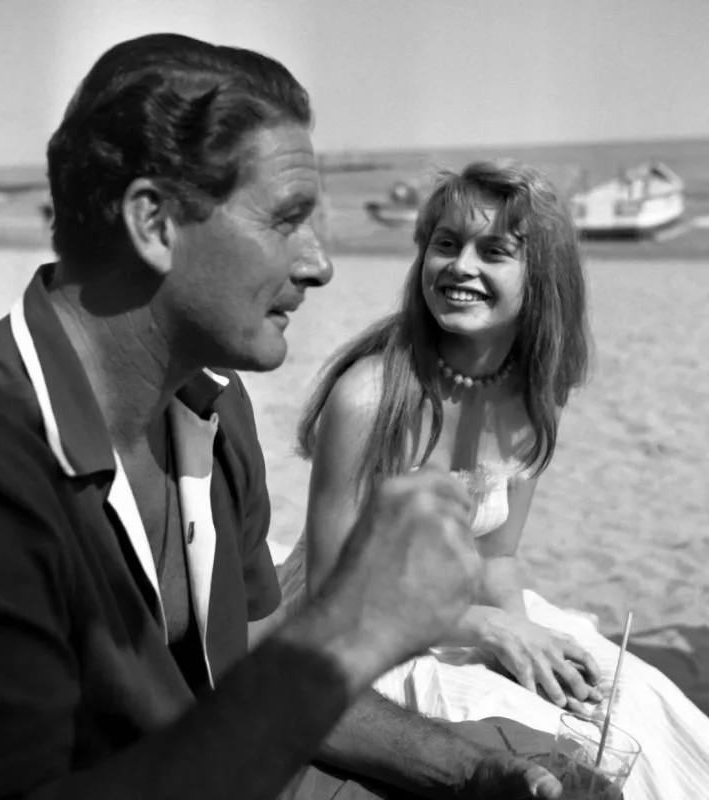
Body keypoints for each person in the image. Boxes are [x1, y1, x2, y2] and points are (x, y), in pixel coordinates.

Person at [0, 34, 565, 800]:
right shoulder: (2, 467)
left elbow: (256, 666)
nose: (320, 264)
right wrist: (353, 632)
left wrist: (470, 772)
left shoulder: (213, 406)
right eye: (288, 220)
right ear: (154, 222)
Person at [289, 160, 709, 800]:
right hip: (356, 641)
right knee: (555, 758)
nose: (461, 266)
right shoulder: (369, 399)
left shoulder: (535, 396)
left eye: (494, 252)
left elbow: (498, 557)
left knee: (638, 710)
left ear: (541, 278)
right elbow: (331, 600)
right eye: (446, 243)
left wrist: (527, 650)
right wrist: (488, 630)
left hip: (468, 615)